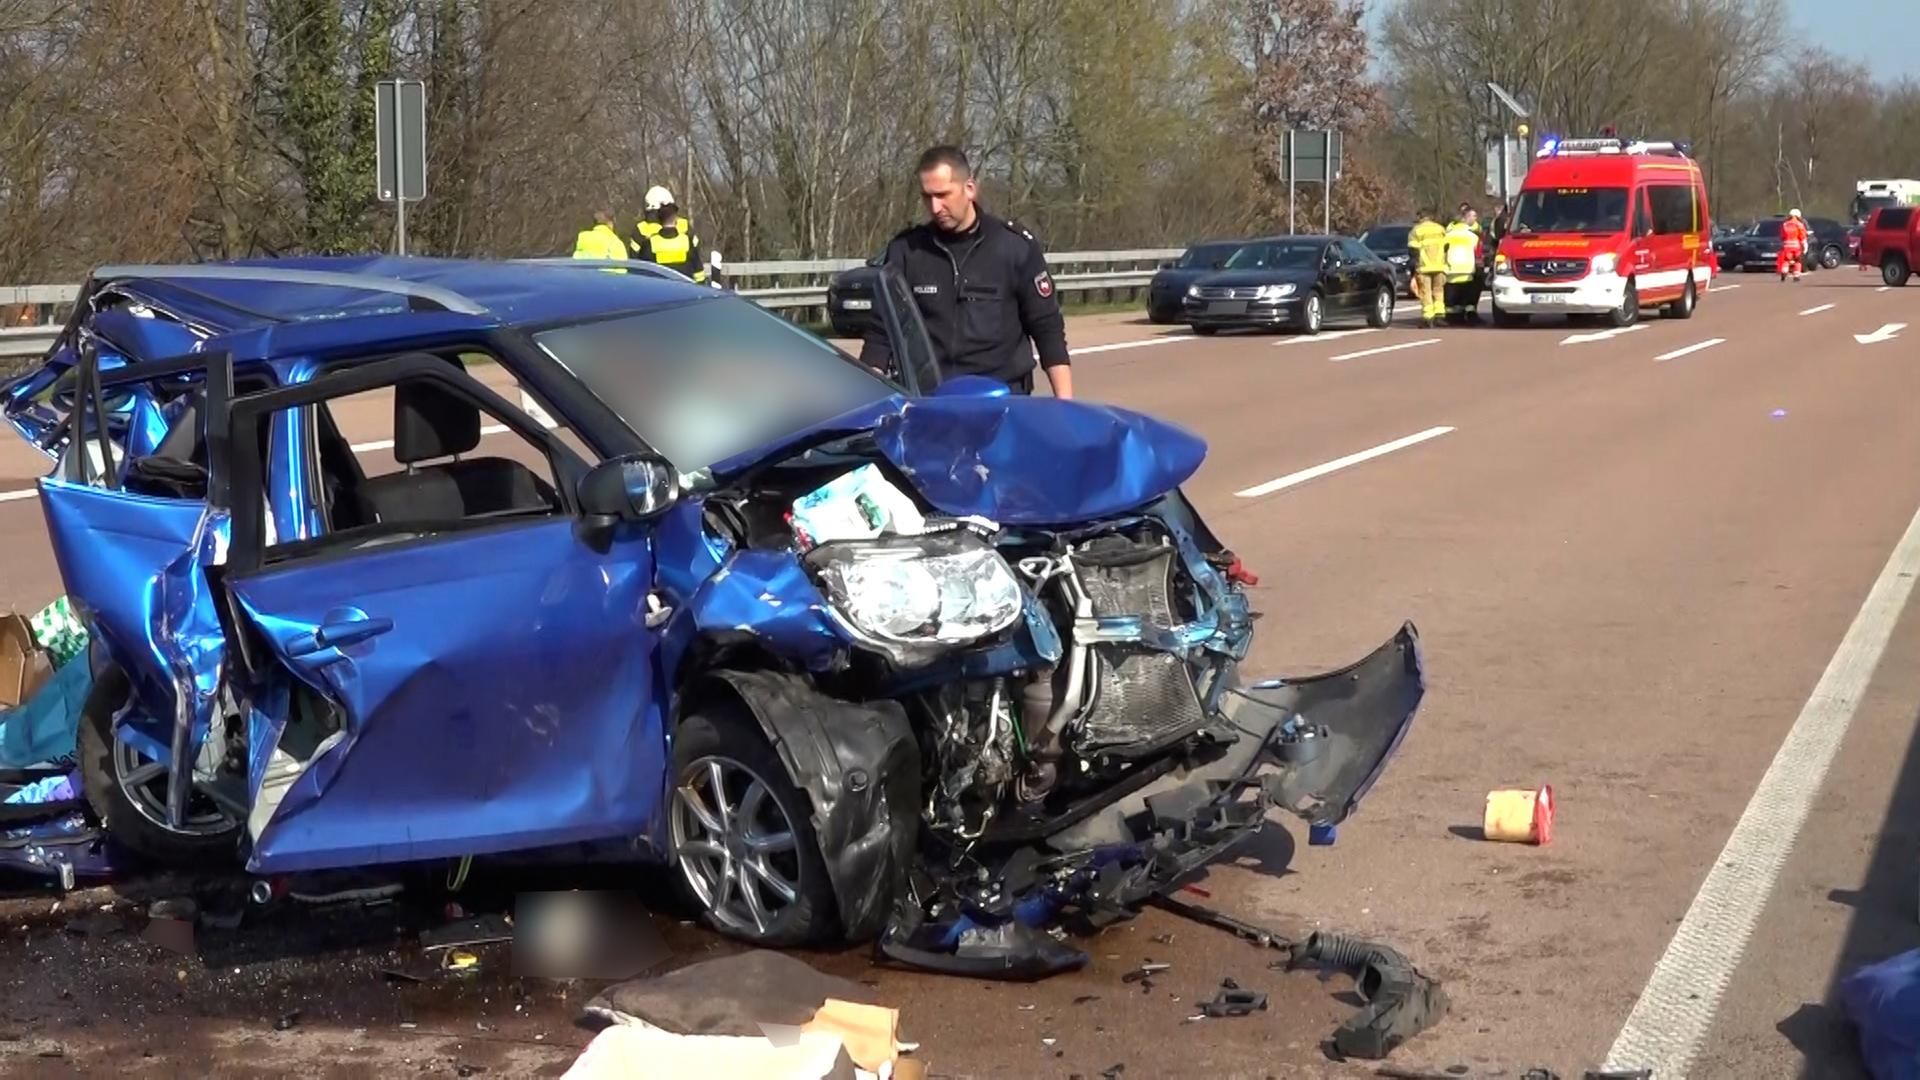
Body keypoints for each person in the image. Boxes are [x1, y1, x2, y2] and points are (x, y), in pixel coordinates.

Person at [859, 145, 1073, 399]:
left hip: (1003, 401)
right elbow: (881, 334)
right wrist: (868, 399)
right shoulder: (907, 251)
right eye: (927, 197)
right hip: (930, 404)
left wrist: (1064, 405)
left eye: (942, 195)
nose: (935, 207)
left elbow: (1046, 327)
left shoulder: (1013, 247)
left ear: (969, 189)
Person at [634, 186, 708, 284]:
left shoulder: (641, 230)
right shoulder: (685, 227)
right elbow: (696, 259)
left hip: (657, 288)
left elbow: (635, 264)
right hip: (686, 287)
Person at [1408, 208, 1449, 328]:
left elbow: (1413, 250)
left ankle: (1428, 318)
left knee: (1425, 292)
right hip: (1439, 266)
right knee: (1439, 291)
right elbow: (1446, 247)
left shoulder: (1416, 230)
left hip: (1424, 267)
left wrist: (1413, 267)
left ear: (1421, 217)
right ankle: (1440, 317)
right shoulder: (1440, 228)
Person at [1442, 213, 1483, 324]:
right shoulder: (1473, 236)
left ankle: (1452, 317)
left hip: (1451, 271)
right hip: (1467, 271)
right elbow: (1478, 255)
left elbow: (1442, 252)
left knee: (1451, 300)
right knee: (1466, 297)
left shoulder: (1447, 236)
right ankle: (1469, 316)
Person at [1779, 209, 1809, 282]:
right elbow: (1802, 236)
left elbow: (1782, 236)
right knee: (1798, 261)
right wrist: (1805, 245)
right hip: (1796, 246)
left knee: (1786, 260)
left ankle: (1784, 272)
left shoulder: (1785, 224)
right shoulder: (1799, 224)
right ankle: (1796, 276)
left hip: (1787, 246)